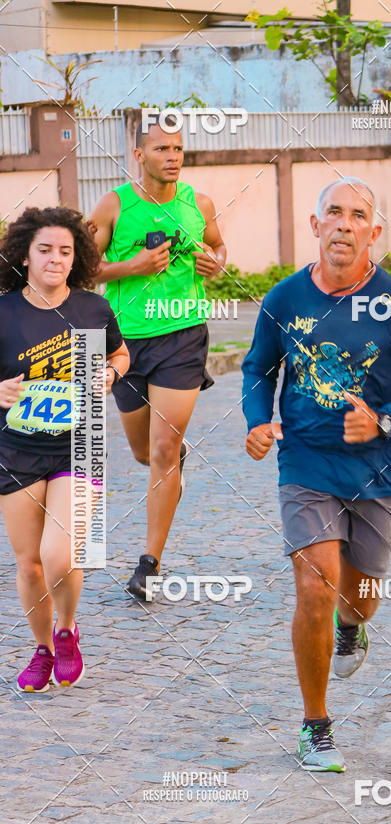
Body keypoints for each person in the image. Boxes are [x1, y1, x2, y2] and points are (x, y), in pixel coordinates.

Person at [242, 178, 391, 772]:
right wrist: (259, 421)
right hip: (305, 460)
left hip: (377, 468)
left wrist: (384, 420)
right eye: (334, 212)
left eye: (358, 215)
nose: (344, 224)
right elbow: (258, 369)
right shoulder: (284, 299)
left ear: (374, 232)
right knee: (315, 585)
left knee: (358, 600)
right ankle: (316, 726)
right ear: (316, 225)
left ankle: (351, 627)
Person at [90, 117, 227, 600]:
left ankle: (148, 564)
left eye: (178, 148)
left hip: (183, 335)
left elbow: (218, 247)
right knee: (144, 452)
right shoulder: (114, 205)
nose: (172, 157)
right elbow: (83, 268)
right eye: (161, 149)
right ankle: (172, 462)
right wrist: (133, 265)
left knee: (164, 449)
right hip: (126, 343)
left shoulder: (198, 204)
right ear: (139, 155)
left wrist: (216, 262)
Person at [0, 207, 129, 692]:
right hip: (15, 449)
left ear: (77, 258)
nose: (55, 259)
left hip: (80, 443)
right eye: (45, 250)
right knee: (29, 562)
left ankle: (67, 629)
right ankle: (42, 649)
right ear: (24, 255)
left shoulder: (91, 309)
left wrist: (111, 372)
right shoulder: (4, 312)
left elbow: (120, 353)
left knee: (59, 554)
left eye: (65, 251)